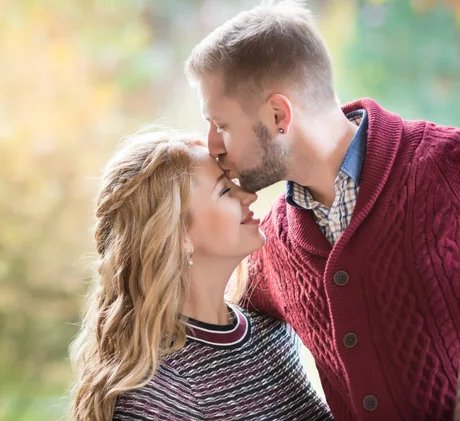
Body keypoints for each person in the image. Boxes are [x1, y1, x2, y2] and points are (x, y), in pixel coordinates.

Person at [184, 0, 460, 420]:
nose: (213, 145)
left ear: (278, 114)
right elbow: (207, 315)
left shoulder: (449, 167)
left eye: (221, 125)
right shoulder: (272, 246)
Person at [70, 130, 333, 421]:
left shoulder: (271, 328)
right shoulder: (156, 396)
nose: (248, 195)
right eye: (224, 190)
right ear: (178, 234)